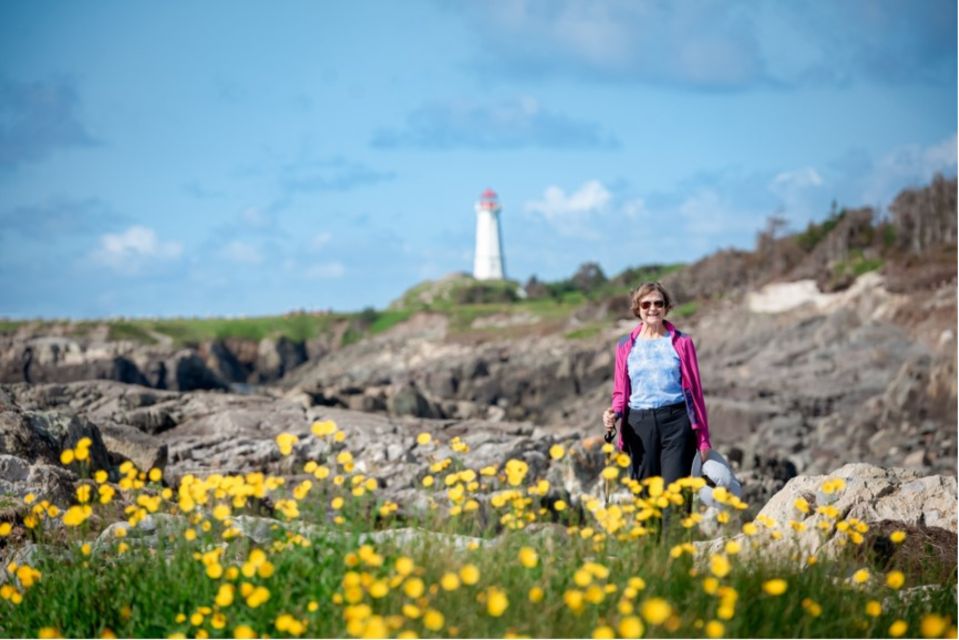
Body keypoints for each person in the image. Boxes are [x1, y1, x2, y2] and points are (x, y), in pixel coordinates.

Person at [602, 282, 712, 486]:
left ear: (666, 307)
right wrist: (613, 414)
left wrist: (704, 440)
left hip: (677, 423)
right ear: (638, 309)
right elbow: (620, 392)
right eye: (646, 305)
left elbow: (696, 394)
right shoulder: (625, 345)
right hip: (639, 424)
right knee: (644, 497)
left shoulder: (682, 342)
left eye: (658, 303)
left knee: (676, 495)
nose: (652, 309)